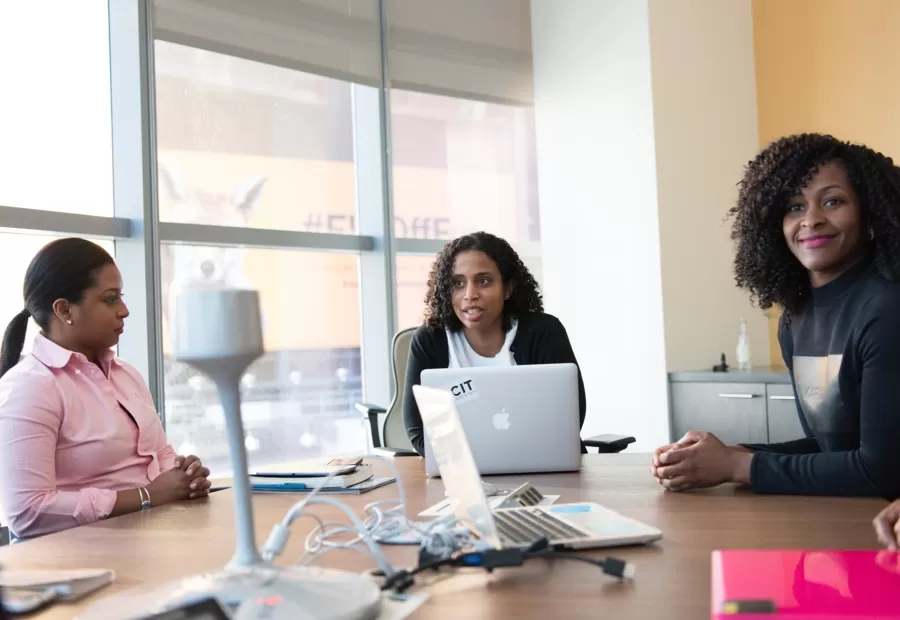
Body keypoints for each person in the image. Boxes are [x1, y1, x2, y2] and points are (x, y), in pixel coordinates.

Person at [651, 133, 900, 498]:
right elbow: (831, 448)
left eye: (833, 201)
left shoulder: (887, 308)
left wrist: (738, 466)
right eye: (794, 207)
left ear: (870, 214)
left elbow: (880, 472)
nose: (811, 219)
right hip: (849, 521)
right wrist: (728, 456)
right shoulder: (795, 318)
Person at [0, 238, 211, 540]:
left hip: (152, 539)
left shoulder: (126, 374)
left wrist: (183, 476)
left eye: (120, 297)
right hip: (82, 557)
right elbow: (27, 512)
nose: (124, 311)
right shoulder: (30, 387)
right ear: (63, 310)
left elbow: (159, 452)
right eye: (110, 299)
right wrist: (146, 495)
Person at [403, 231, 587, 455]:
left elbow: (570, 416)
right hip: (463, 474)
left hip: (544, 467)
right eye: (458, 283)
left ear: (508, 288)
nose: (470, 294)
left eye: (483, 281)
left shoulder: (543, 332)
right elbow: (418, 430)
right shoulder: (431, 340)